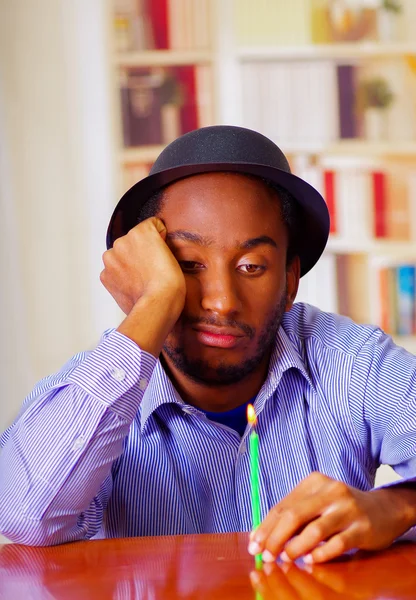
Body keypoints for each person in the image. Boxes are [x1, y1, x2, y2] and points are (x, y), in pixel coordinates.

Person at [0, 126, 415, 564]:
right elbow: (22, 516)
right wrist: (154, 304)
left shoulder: (352, 361)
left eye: (252, 266)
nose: (222, 300)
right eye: (187, 265)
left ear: (290, 280)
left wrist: (394, 507)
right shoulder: (100, 389)